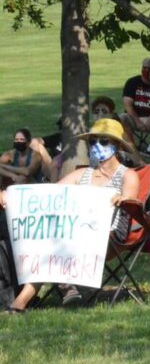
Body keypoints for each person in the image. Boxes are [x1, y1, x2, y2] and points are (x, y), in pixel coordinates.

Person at [2, 118, 140, 312]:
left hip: (110, 237)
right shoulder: (82, 174)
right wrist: (11, 194)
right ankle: (24, 301)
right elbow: (49, 195)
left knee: (53, 245)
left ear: (116, 145)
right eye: (93, 141)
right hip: (72, 234)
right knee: (46, 243)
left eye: (104, 141)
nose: (97, 146)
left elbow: (132, 204)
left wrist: (121, 198)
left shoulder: (128, 175)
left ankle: (45, 293)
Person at [120, 57, 150, 144]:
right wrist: (137, 121)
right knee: (122, 118)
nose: (146, 71)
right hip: (134, 118)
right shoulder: (132, 82)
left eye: (149, 68)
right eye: (144, 68)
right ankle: (131, 148)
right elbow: (127, 105)